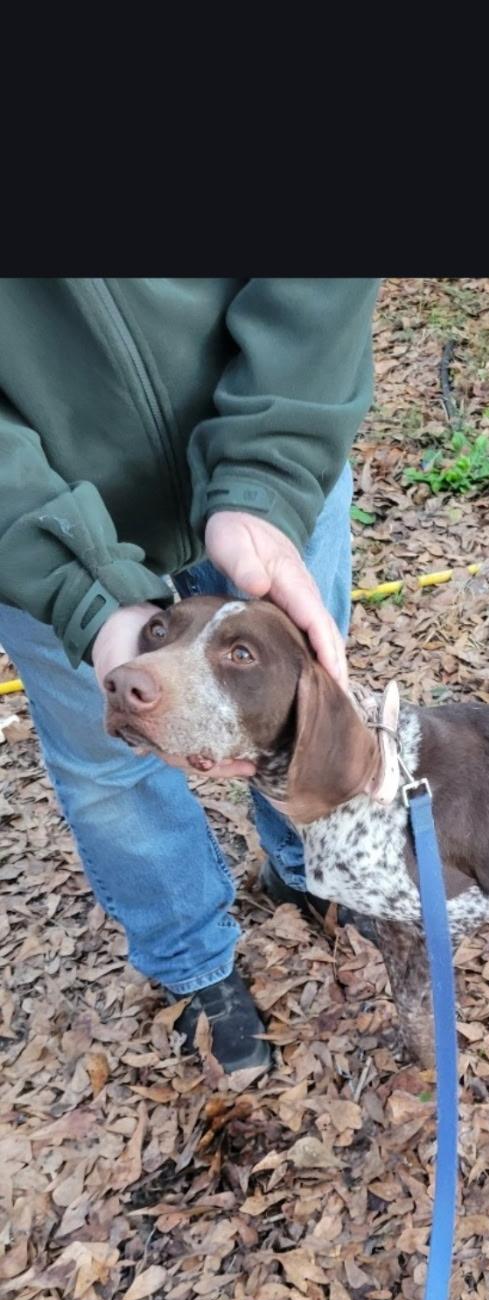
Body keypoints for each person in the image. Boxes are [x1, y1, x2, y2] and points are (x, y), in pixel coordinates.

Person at [0, 277, 381, 1075]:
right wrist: (82, 596)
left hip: (277, 463)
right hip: (34, 531)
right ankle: (192, 965)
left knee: (299, 711)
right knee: (109, 766)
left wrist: (266, 484)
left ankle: (309, 869)